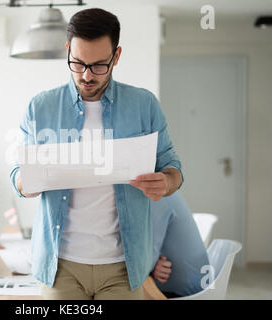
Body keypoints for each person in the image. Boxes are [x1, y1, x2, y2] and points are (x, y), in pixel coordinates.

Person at [10, 8, 183, 300]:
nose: (87, 75)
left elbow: (173, 168)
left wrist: (166, 182)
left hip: (123, 267)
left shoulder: (144, 105)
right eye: (77, 63)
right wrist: (24, 182)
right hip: (60, 266)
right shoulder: (40, 108)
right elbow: (18, 174)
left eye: (99, 65)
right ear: (68, 50)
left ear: (116, 56)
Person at [150, 191, 210, 298]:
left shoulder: (156, 195)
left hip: (186, 292)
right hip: (199, 284)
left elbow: (144, 259)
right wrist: (152, 264)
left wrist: (151, 266)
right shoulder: (167, 190)